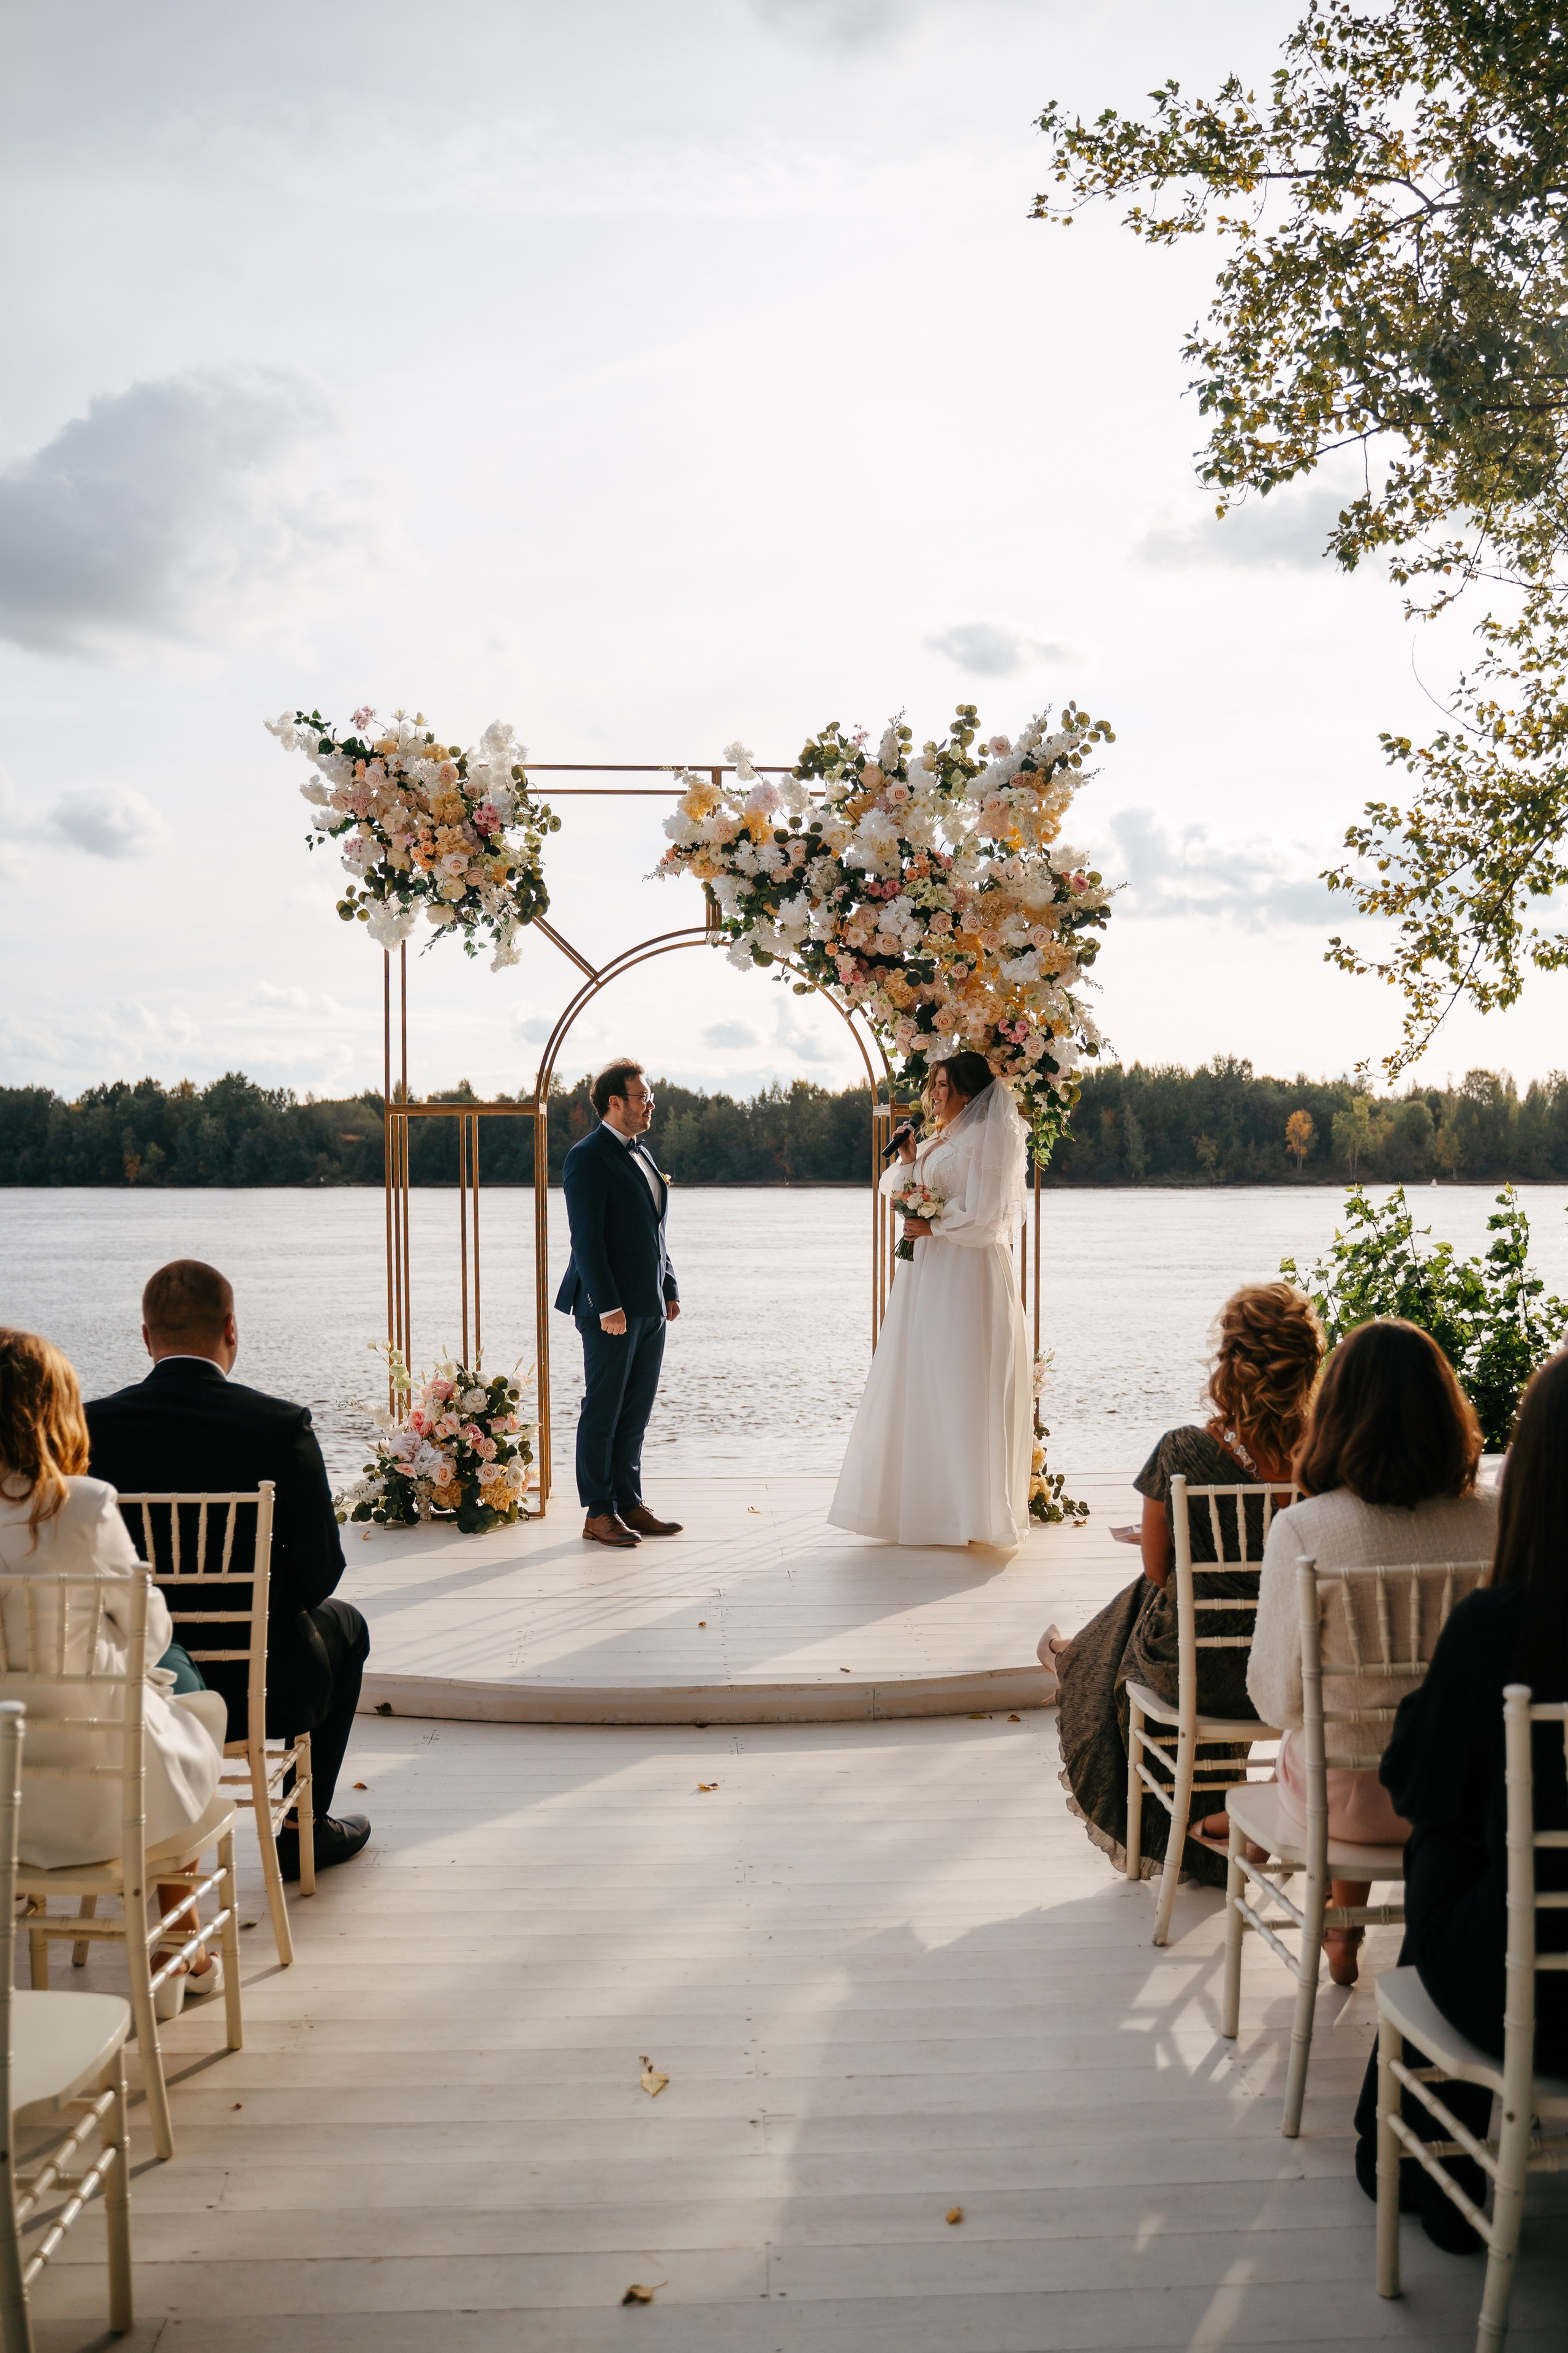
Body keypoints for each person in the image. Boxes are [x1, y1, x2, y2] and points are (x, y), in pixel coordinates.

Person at [1351, 1349, 1568, 2254]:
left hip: (1531, 1995)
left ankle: (1429, 2140)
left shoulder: (1502, 1626)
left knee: (1450, 1835)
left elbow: (1417, 1787)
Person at [85, 1260, 372, 1879]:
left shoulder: (91, 1427)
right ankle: (304, 1826)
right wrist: (262, 1610)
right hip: (263, 1691)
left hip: (141, 1687)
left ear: (145, 1336)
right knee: (346, 1625)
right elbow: (322, 1570)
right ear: (232, 1329)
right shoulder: (279, 1426)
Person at [1248, 1318, 1497, 1985]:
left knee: (1320, 1740)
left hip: (1350, 1808)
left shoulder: (1303, 1527)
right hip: (1471, 1800)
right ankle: (1351, 1921)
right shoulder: (1495, 1518)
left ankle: (1337, 1918)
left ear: (1333, 1412)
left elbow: (1275, 1702)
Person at [1052, 1283, 1324, 1887]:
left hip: (1199, 1675)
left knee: (1159, 1592)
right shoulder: (1332, 1452)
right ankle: (1071, 1655)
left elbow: (1156, 1568)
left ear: (1230, 1363)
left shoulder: (1184, 1448)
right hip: (1297, 1673)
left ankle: (1074, 1659)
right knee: (1175, 1594)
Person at [0, 1326, 228, 2011]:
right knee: (194, 1716)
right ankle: (174, 1948)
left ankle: (176, 1948)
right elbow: (152, 1632)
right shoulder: (86, 1504)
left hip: (10, 1800)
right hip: (105, 1802)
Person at [829, 1052, 1033, 1549]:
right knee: (921, 1375)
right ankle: (921, 1506)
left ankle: (969, 1512)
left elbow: (987, 1218)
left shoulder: (992, 1136)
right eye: (934, 1084)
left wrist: (935, 1223)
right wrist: (908, 1160)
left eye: (943, 1084)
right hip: (929, 1272)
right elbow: (907, 1190)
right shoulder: (944, 1135)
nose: (936, 1093)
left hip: (967, 1273)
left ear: (967, 1089)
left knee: (962, 1376)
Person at [555, 1059, 682, 1550]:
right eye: (643, 1097)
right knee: (603, 1410)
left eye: (649, 1097)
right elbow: (586, 1239)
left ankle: (629, 1501)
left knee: (636, 1409)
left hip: (649, 1306)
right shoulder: (586, 1157)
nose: (651, 1105)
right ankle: (599, 1511)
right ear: (615, 1102)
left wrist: (669, 1287)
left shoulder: (643, 1154)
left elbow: (655, 1231)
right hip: (609, 1310)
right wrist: (607, 1304)